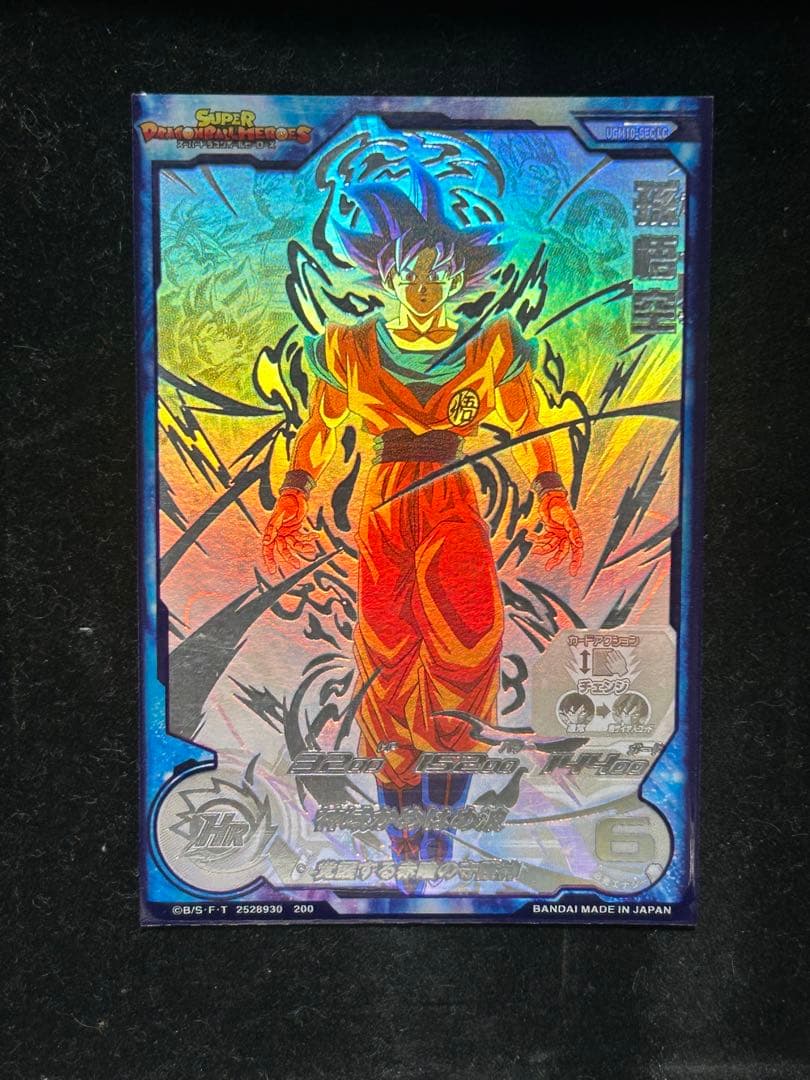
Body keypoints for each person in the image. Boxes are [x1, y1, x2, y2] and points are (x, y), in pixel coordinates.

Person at [262, 165, 583, 863]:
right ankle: (400, 822)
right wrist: (292, 494)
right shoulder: (349, 346)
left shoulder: (492, 343)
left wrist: (553, 494)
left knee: (467, 649)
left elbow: (530, 423)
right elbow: (319, 428)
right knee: (388, 657)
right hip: (384, 508)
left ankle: (445, 817)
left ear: (458, 278)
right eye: (412, 273)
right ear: (390, 275)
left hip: (452, 503)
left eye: (438, 274)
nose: (425, 286)